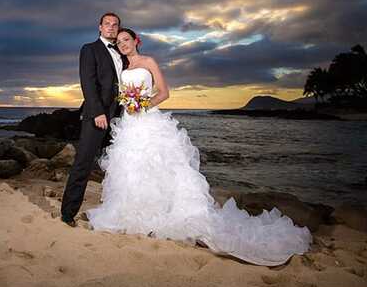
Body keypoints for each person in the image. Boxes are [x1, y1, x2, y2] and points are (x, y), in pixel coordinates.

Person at [85, 28, 313, 267]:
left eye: (126, 40)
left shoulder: (148, 61)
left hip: (148, 119)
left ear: (135, 41)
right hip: (130, 124)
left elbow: (164, 93)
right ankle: (134, 212)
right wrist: (125, 104)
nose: (122, 44)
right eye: (119, 41)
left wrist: (142, 104)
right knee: (133, 167)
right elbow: (120, 94)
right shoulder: (123, 68)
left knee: (161, 165)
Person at [60, 12, 128, 227]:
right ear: (100, 27)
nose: (110, 27)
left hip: (122, 117)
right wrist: (98, 112)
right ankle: (67, 213)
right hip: (96, 116)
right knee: (84, 163)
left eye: (115, 24)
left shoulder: (122, 53)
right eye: (106, 24)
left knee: (123, 164)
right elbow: (88, 83)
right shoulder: (90, 49)